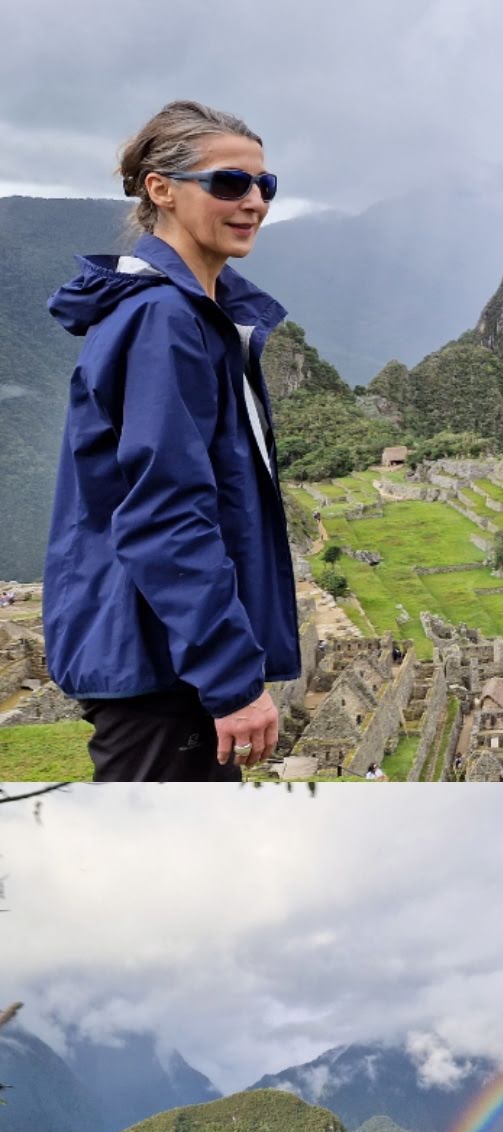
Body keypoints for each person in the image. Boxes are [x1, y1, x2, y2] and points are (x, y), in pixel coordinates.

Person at [43, 100, 299, 780]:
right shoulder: (165, 321)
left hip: (165, 655)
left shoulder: (198, 316)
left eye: (264, 185)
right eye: (228, 183)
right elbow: (166, 511)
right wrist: (232, 679)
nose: (254, 202)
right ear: (160, 189)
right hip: (159, 665)